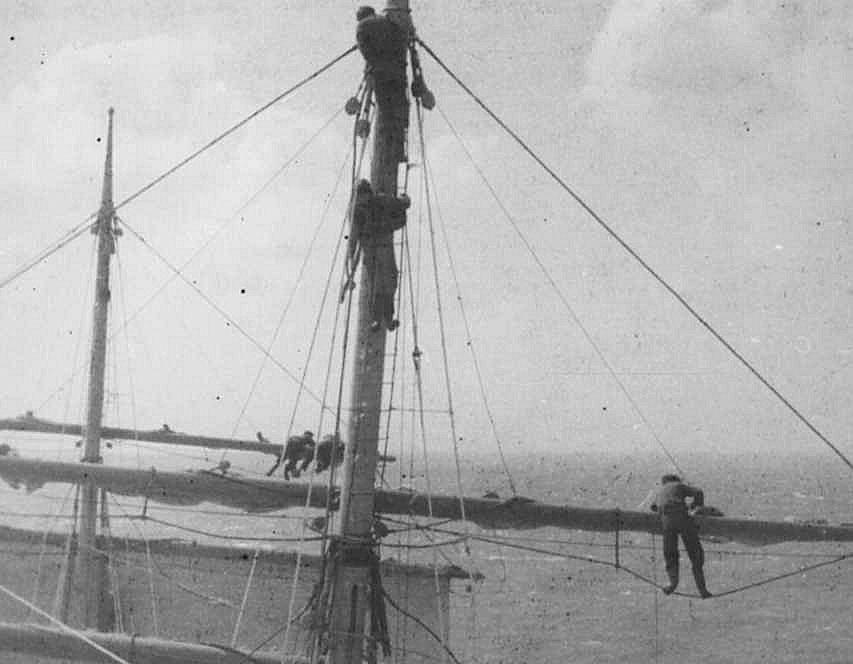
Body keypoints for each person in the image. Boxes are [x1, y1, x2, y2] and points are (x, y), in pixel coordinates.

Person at [343, 179, 410, 331]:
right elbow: (353, 238)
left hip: (383, 246)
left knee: (390, 281)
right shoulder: (356, 211)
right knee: (378, 285)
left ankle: (387, 317)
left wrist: (404, 203)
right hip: (372, 249)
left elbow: (401, 204)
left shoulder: (380, 201)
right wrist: (350, 261)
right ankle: (377, 319)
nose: (363, 200)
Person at [650, 474, 712, 598]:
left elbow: (653, 507)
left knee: (670, 554)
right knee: (695, 553)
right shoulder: (678, 485)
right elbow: (699, 492)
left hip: (667, 521)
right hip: (682, 518)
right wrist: (695, 506)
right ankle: (702, 589)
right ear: (675, 480)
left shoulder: (660, 491)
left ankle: (672, 583)